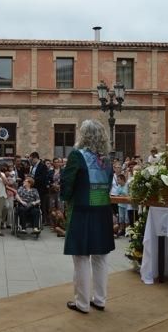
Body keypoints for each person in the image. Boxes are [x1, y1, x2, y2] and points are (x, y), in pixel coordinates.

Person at [61, 119, 114, 314]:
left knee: (81, 257)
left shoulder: (77, 155)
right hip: (102, 211)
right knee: (100, 256)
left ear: (84, 135)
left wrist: (66, 198)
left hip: (82, 211)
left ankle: (82, 303)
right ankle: (99, 299)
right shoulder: (107, 159)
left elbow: (67, 184)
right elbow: (108, 184)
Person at [29, 151, 49, 224]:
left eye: (31, 159)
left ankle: (41, 221)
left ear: (35, 158)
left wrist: (33, 179)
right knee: (34, 204)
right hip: (34, 188)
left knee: (41, 205)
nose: (30, 161)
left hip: (41, 189)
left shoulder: (43, 166)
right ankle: (34, 220)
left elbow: (43, 178)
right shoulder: (33, 166)